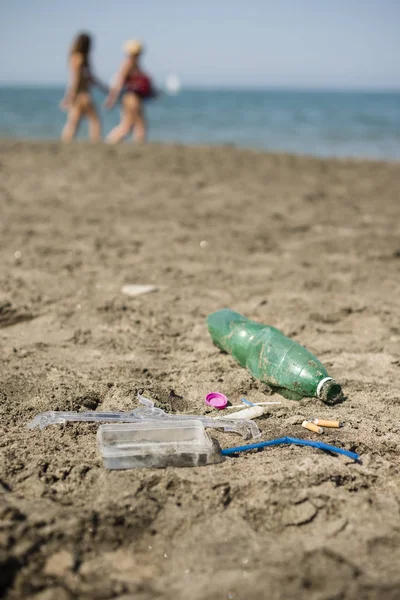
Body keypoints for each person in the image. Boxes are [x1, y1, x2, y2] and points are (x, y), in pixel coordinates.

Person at [105, 40, 155, 144]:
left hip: (131, 97)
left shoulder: (134, 64)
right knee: (139, 123)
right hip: (131, 97)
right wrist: (111, 99)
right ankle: (139, 143)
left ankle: (111, 141)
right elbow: (119, 82)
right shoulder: (128, 64)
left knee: (128, 125)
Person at [60, 32, 107, 142]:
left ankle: (65, 142)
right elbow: (75, 79)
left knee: (73, 122)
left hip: (79, 94)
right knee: (94, 120)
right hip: (83, 94)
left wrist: (104, 88)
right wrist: (69, 96)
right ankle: (96, 142)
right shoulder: (79, 59)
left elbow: (88, 78)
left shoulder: (75, 57)